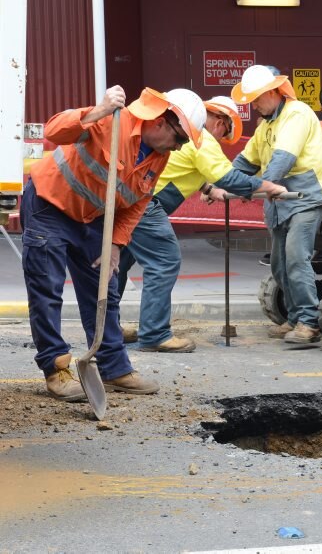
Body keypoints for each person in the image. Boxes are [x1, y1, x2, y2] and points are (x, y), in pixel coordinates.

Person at [21, 85, 206, 402]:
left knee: (103, 289)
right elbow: (54, 129)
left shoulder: (157, 157)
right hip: (50, 205)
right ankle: (55, 369)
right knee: (47, 289)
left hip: (92, 220)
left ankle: (114, 368)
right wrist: (98, 110)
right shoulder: (113, 120)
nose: (178, 148)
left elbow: (138, 202)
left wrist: (117, 244)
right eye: (180, 139)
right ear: (162, 121)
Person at [117, 97, 287, 352]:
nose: (220, 140)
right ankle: (154, 334)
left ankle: (108, 328)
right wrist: (267, 186)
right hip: (146, 204)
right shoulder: (202, 138)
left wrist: (208, 188)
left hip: (133, 200)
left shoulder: (188, 136)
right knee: (164, 260)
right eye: (224, 134)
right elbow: (227, 176)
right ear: (220, 122)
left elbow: (186, 169)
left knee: (119, 263)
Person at [231, 65, 322, 344]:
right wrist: (219, 182)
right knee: (280, 265)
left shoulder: (297, 113)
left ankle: (309, 322)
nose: (254, 105)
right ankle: (295, 318)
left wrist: (257, 186)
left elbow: (283, 159)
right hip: (281, 200)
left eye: (256, 99)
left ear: (273, 92)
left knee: (296, 257)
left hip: (307, 196)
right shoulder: (266, 125)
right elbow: (245, 162)